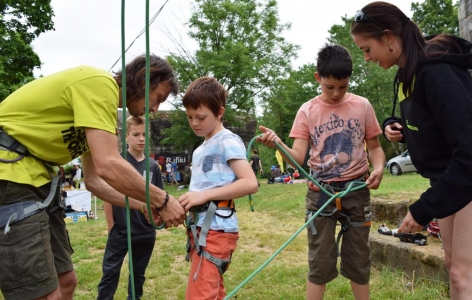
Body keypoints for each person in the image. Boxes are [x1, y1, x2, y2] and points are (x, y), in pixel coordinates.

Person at [0, 54, 186, 300]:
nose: (154, 109)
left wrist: (143, 205)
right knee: (44, 295)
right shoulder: (99, 85)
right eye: (158, 98)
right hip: (12, 173)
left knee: (65, 282)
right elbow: (108, 164)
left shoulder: (104, 114)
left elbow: (95, 181)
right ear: (144, 80)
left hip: (39, 181)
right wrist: (162, 200)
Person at [351, 2, 472, 298]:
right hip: (447, 180)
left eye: (367, 49)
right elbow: (431, 121)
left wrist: (423, 210)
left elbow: (469, 147)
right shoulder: (409, 72)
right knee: (452, 266)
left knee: (463, 273)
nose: (366, 58)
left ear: (389, 37)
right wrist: (397, 125)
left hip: (466, 179)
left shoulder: (437, 73)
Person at [258, 44, 385, 300]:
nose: (337, 93)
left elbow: (375, 147)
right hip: (321, 193)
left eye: (343, 86)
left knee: (359, 260)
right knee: (320, 262)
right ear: (318, 78)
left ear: (349, 79)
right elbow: (298, 158)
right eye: (329, 87)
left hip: (356, 190)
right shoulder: (307, 110)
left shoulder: (363, 106)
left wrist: (379, 167)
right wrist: (279, 144)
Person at [178, 77, 258, 299]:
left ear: (219, 112)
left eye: (201, 117)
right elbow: (198, 191)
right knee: (211, 292)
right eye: (190, 117)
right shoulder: (200, 149)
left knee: (200, 295)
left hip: (216, 230)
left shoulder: (226, 141)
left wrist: (202, 196)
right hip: (200, 229)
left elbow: (250, 183)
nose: (194, 123)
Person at [97, 116, 162, 300]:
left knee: (137, 276)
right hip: (121, 231)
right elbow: (107, 197)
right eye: (136, 134)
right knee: (110, 273)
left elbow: (158, 199)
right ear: (126, 136)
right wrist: (111, 227)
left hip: (145, 233)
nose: (141, 138)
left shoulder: (153, 166)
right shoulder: (117, 163)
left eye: (144, 134)